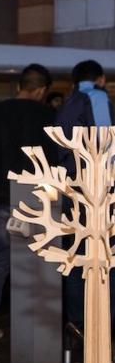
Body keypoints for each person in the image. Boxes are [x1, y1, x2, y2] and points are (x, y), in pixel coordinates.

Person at [0, 64, 55, 342]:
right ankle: (35, 333)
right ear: (42, 90)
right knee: (39, 262)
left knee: (1, 259)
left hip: (4, 196)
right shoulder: (50, 115)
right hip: (39, 197)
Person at [56, 59, 115, 327]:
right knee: (104, 259)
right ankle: (102, 324)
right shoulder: (96, 96)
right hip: (96, 192)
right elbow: (104, 145)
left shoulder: (68, 103)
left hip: (72, 190)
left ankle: (77, 322)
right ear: (100, 79)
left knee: (76, 256)